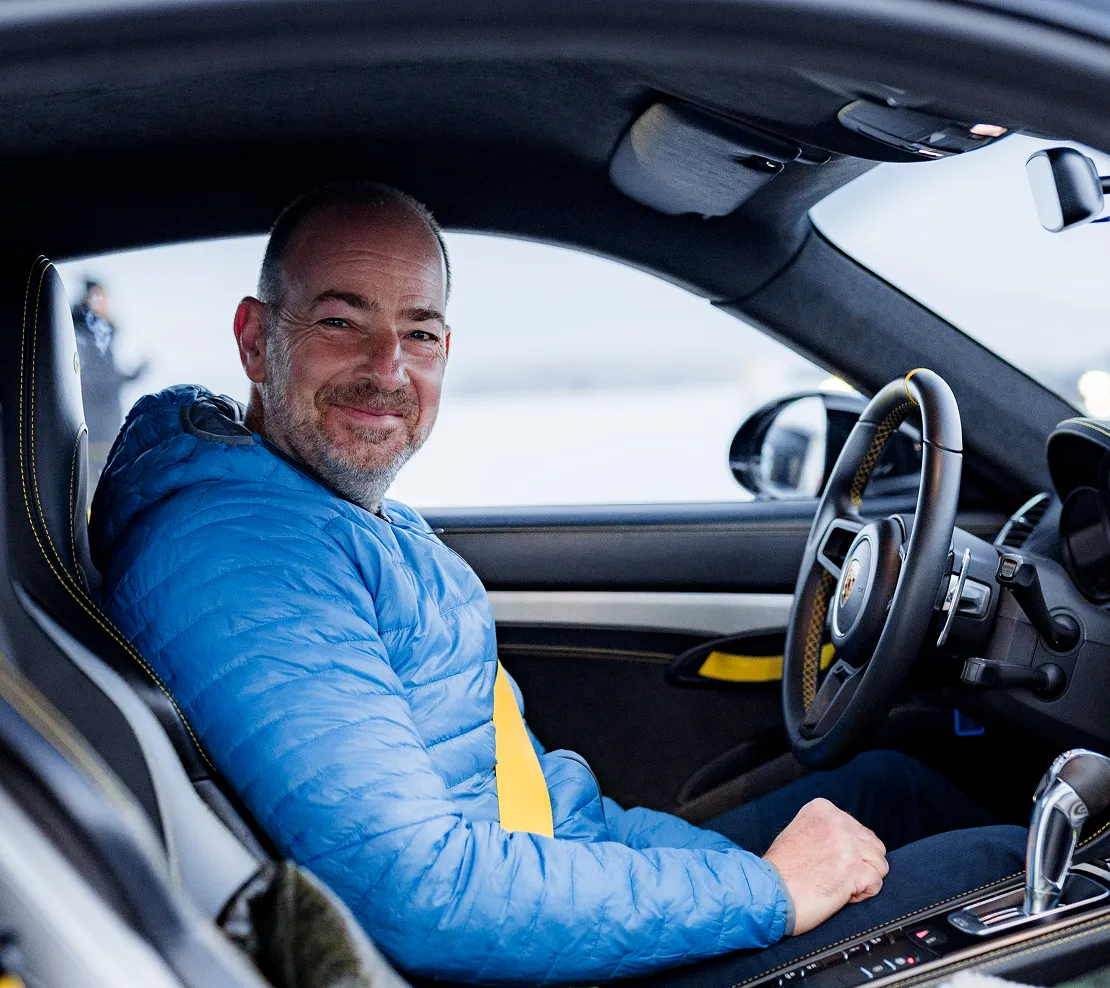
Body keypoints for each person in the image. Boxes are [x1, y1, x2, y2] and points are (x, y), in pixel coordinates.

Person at [88, 183, 1027, 987]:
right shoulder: (247, 555)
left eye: (419, 332)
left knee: (891, 790)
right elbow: (422, 896)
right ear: (257, 341)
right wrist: (767, 893)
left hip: (540, 889)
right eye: (341, 321)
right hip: (496, 953)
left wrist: (728, 878)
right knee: (999, 868)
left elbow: (536, 814)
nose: (388, 369)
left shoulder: (318, 507)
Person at [71, 279, 147, 488]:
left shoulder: (100, 331)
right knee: (92, 483)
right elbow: (93, 378)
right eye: (100, 298)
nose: (106, 304)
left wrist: (133, 374)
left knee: (100, 480)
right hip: (92, 423)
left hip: (104, 422)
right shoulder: (86, 331)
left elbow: (105, 374)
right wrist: (126, 377)